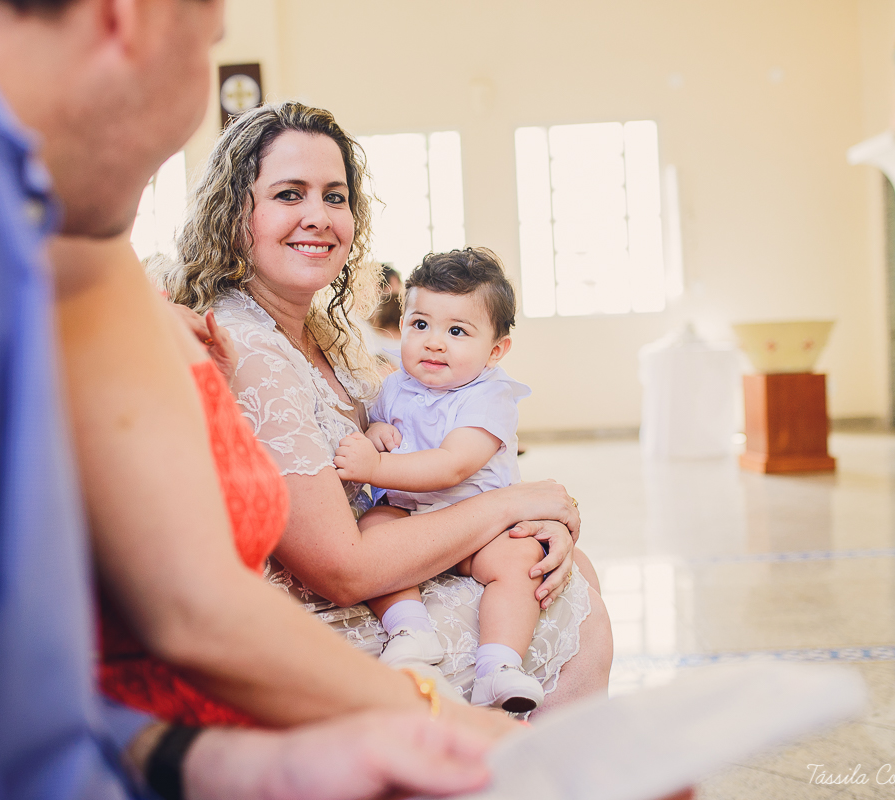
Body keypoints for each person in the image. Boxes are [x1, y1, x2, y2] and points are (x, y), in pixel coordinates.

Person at [0, 0, 499, 796]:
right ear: (129, 18)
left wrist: (228, 765)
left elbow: (26, 700)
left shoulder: (54, 218)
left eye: (336, 197)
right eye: (209, 47)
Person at [153, 101, 613, 711]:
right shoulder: (248, 348)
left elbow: (424, 456)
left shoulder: (331, 337)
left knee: (553, 565)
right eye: (290, 194)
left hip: (389, 574)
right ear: (237, 211)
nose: (319, 217)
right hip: (320, 617)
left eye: (335, 196)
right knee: (561, 593)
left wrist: (534, 523)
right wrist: (518, 501)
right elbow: (340, 568)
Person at [334, 246, 549, 713]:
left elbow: (452, 465)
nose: (433, 342)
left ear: (495, 351)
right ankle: (411, 630)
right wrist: (376, 432)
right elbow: (381, 428)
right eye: (420, 325)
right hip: (411, 517)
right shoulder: (394, 384)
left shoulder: (491, 397)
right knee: (373, 528)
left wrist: (375, 467)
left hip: (479, 526)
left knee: (521, 560)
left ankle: (500, 664)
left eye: (456, 331)